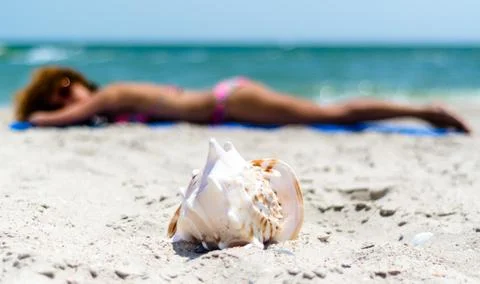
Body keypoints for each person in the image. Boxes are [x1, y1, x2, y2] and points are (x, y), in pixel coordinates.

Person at [14, 66, 471, 133]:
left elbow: (51, 123)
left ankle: (423, 111)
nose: (64, 99)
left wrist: (36, 117)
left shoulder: (109, 94)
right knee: (329, 115)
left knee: (331, 115)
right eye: (57, 98)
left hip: (227, 104)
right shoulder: (114, 102)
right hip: (227, 100)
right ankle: (419, 110)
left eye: (63, 89)